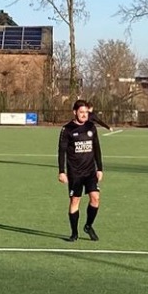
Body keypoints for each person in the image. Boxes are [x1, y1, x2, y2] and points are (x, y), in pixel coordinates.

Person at [57, 99, 105, 241]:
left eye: (86, 112)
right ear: (75, 112)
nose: (84, 115)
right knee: (75, 201)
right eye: (81, 112)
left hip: (90, 171)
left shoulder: (91, 127)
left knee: (95, 198)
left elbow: (97, 148)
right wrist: (61, 171)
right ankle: (74, 233)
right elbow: (61, 151)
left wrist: (100, 168)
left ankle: (88, 226)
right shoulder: (67, 129)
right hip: (75, 172)